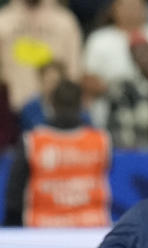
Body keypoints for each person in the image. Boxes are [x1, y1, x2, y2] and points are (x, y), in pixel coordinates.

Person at [4, 79, 110, 227]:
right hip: (91, 228)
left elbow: (14, 193)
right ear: (81, 105)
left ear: (52, 104)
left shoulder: (32, 141)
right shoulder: (101, 141)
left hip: (42, 231)